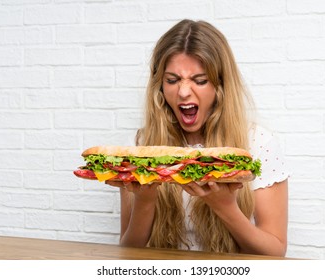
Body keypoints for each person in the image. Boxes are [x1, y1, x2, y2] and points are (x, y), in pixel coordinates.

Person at [106, 19, 289, 256]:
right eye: (172, 80)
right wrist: (145, 201)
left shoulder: (258, 143)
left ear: (221, 85)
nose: (183, 92)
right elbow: (129, 254)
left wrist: (225, 207)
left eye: (200, 80)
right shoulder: (141, 148)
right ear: (159, 86)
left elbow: (275, 252)